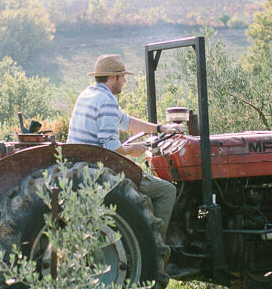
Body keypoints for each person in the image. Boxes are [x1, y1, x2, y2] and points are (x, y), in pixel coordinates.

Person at [67, 54, 185, 230]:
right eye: (122, 77)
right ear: (112, 77)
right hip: (98, 168)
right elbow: (112, 147)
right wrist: (134, 149)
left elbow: (126, 121)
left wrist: (161, 128)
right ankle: (158, 248)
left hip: (80, 164)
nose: (124, 81)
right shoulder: (106, 101)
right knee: (167, 191)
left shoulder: (88, 94)